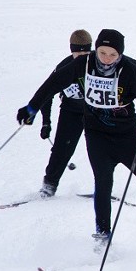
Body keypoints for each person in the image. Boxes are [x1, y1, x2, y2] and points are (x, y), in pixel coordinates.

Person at [16, 30, 136, 248]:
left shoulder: (129, 71)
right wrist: (32, 107)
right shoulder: (84, 64)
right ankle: (103, 235)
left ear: (120, 55)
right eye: (102, 52)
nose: (106, 59)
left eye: (112, 54)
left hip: (128, 138)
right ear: (95, 49)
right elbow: (54, 83)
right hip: (97, 137)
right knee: (103, 183)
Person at [35, 29, 93, 198]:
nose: (82, 55)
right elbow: (46, 95)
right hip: (71, 112)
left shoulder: (99, 62)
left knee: (108, 147)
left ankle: (105, 185)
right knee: (61, 150)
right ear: (71, 49)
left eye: (86, 51)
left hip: (95, 113)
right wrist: (46, 122)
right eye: (78, 51)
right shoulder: (64, 68)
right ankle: (49, 186)